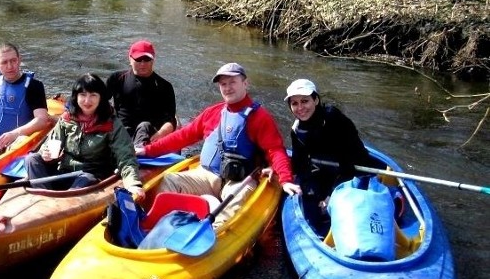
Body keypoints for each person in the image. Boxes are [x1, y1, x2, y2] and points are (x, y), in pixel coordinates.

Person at [136, 62, 301, 209]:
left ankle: (214, 235)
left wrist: (285, 180)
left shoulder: (259, 117)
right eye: (223, 84)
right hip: (206, 175)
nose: (227, 88)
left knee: (235, 203)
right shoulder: (213, 112)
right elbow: (183, 136)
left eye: (232, 82)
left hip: (239, 181)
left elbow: (275, 150)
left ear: (245, 83)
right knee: (168, 182)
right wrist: (148, 150)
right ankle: (163, 228)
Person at [26, 73, 145, 200]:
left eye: (93, 95)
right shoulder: (66, 119)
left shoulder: (112, 124)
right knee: (32, 159)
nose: (87, 101)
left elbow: (126, 157)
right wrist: (46, 154)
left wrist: (133, 184)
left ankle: (65, 203)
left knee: (87, 178)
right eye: (82, 95)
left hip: (91, 177)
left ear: (101, 98)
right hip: (63, 173)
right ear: (76, 97)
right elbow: (49, 145)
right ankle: (42, 199)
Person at [284, 79, 380, 223]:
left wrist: (332, 195)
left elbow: (349, 162)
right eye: (294, 103)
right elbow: (300, 165)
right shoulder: (297, 130)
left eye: (305, 101)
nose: (300, 108)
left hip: (352, 172)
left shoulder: (333, 119)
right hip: (325, 173)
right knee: (310, 197)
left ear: (315, 100)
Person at [106, 40, 177, 147]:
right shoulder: (117, 79)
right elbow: (99, 101)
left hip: (151, 134)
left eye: (147, 59)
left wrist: (160, 134)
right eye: (138, 59)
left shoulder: (165, 86)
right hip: (123, 132)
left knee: (144, 126)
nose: (143, 64)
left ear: (153, 60)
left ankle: (137, 151)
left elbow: (171, 120)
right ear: (130, 59)